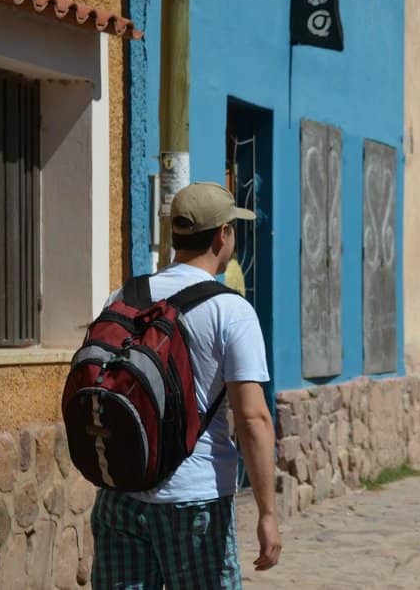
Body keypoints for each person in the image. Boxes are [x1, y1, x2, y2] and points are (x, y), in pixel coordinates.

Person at [91, 182, 282, 587]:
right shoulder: (231, 310)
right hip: (194, 503)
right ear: (222, 235)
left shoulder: (124, 295)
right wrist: (267, 512)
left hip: (121, 493)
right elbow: (253, 419)